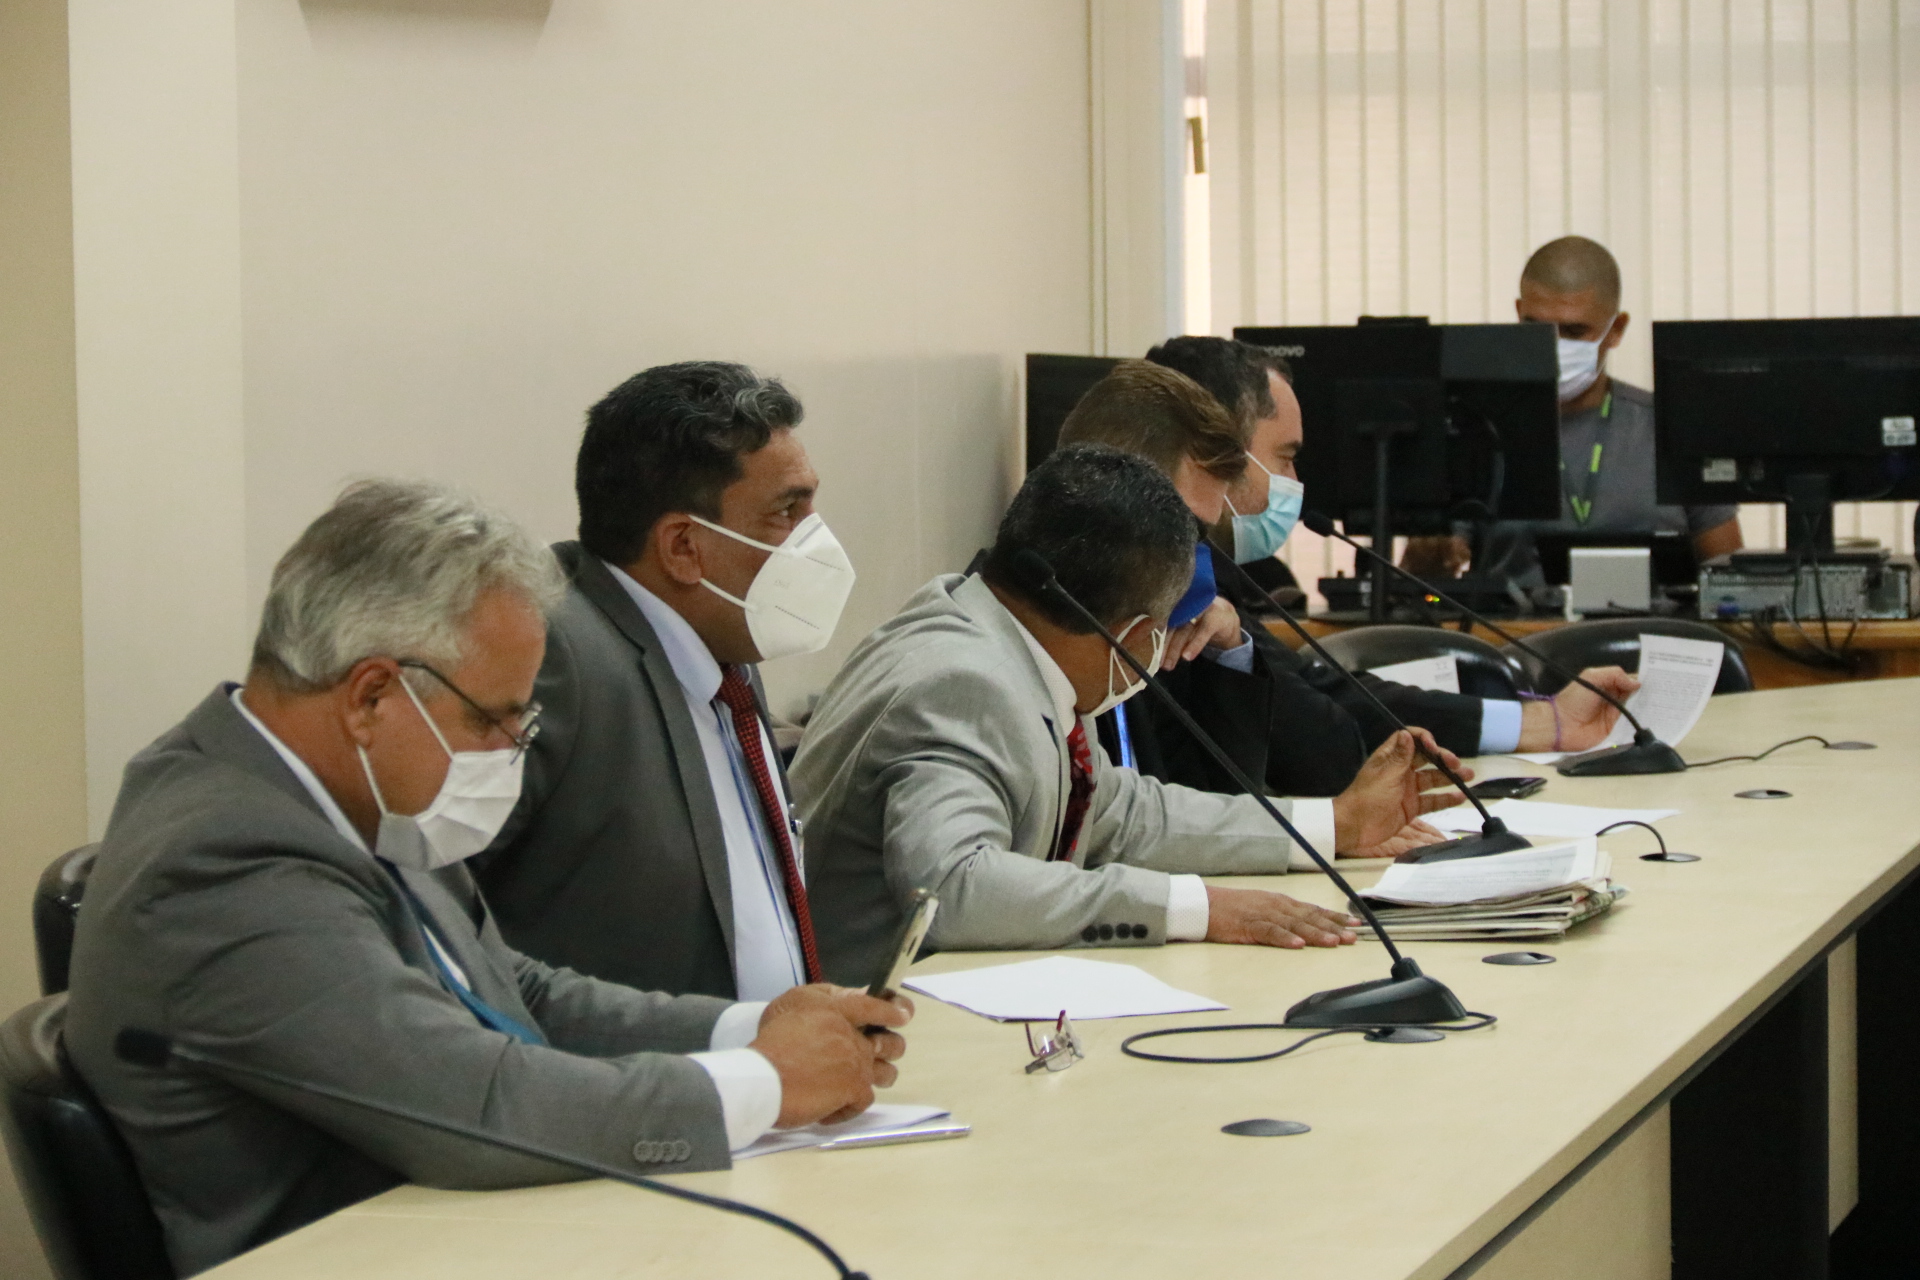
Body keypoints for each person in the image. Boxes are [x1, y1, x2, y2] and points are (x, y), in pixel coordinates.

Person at [64, 480, 909, 1277]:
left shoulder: (345, 793)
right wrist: (764, 1084)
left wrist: (754, 1026)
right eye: (494, 719)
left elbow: (515, 994)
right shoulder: (224, 862)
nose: (513, 750)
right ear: (371, 696)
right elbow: (474, 1108)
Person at [791, 442, 1468, 985]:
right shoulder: (960, 682)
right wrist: (1197, 908)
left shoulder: (1022, 643)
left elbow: (1120, 814)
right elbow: (955, 887)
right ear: (1138, 631)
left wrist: (1334, 823)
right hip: (882, 1037)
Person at [474, 362, 854, 1001]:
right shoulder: (552, 656)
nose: (815, 539)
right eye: (787, 511)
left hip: (773, 1058)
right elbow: (443, 931)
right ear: (683, 547)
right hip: (628, 1062)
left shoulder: (727, 641)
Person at [1112, 337, 1638, 796]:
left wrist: (1543, 722)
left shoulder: (1205, 571)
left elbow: (1324, 695)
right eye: (1286, 456)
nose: (1296, 481)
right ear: (1214, 453)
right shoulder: (1165, 584)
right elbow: (1322, 749)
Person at [1403, 235, 1744, 592]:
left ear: (1616, 329)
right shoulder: (1474, 430)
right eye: (1537, 328)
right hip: (1516, 626)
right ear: (1518, 315)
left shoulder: (1671, 427)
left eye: (1574, 331)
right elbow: (1419, 585)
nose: (1554, 346)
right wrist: (1430, 553)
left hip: (1654, 626)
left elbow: (1730, 582)